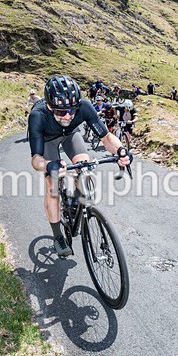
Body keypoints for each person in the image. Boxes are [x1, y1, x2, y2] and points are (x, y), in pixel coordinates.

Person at [28, 75, 132, 256]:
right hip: (47, 140)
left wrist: (121, 151)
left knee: (85, 168)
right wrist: (49, 165)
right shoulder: (38, 115)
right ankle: (58, 235)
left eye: (72, 111)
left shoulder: (84, 106)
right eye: (61, 112)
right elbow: (36, 160)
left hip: (70, 135)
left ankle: (77, 198)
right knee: (52, 186)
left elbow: (106, 138)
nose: (68, 115)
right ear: (50, 106)